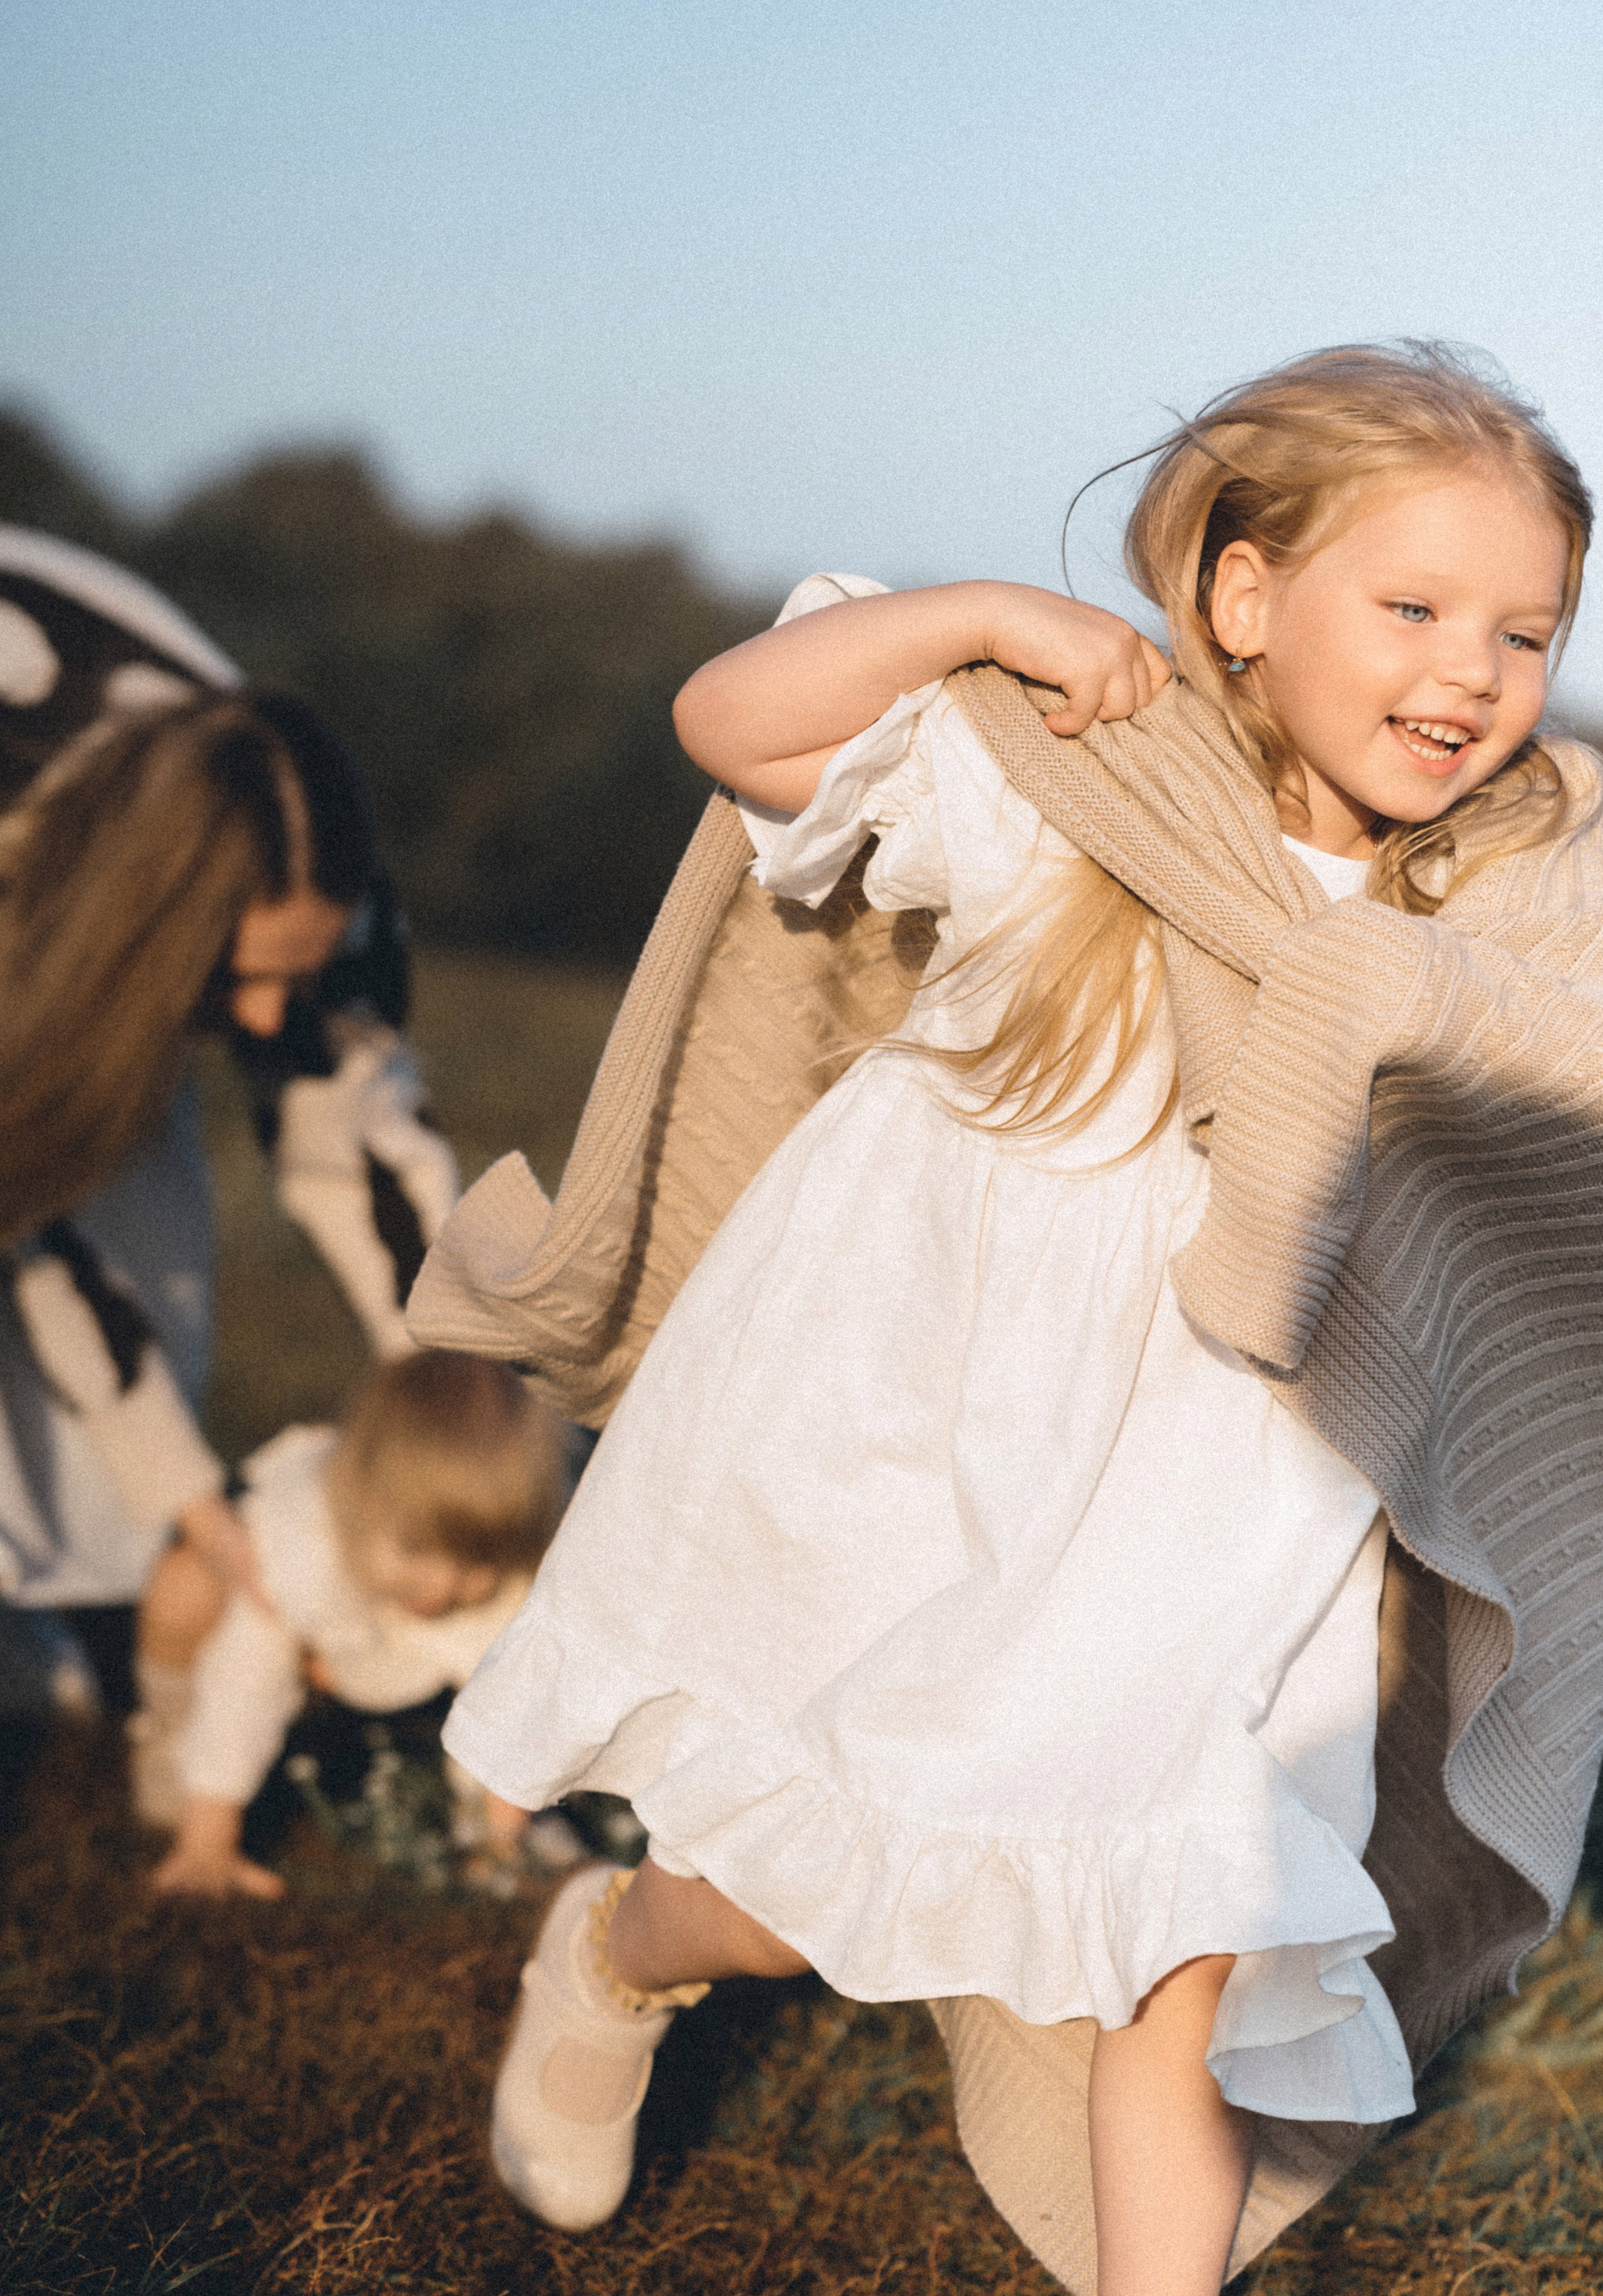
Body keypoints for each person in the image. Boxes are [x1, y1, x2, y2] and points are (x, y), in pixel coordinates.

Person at [415, 343, 1599, 2296]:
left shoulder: (1489, 906)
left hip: (1230, 1485)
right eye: (1410, 607)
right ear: (1240, 594)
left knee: (1191, 1927)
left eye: (1523, 630)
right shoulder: (1070, 785)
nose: (1469, 669)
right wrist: (974, 616)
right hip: (952, 1442)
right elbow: (731, 721)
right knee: (804, 1887)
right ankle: (624, 1947)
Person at [0, 536, 457, 1695]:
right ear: (142, 924)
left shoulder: (320, 886)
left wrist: (458, 1418)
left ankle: (80, 1586)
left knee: (146, 1244)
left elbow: (369, 1164)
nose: (264, 1018)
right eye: (228, 973)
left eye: (292, 978)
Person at [139, 1348, 565, 1898]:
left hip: (388, 1672)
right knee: (186, 1587)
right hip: (312, 1648)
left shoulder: (514, 1567)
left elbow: (510, 1710)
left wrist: (498, 1841)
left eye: (476, 1561)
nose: (441, 1587)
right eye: (414, 1549)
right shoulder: (303, 1547)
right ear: (358, 1501)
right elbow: (243, 1686)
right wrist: (208, 1835)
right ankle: (170, 1736)